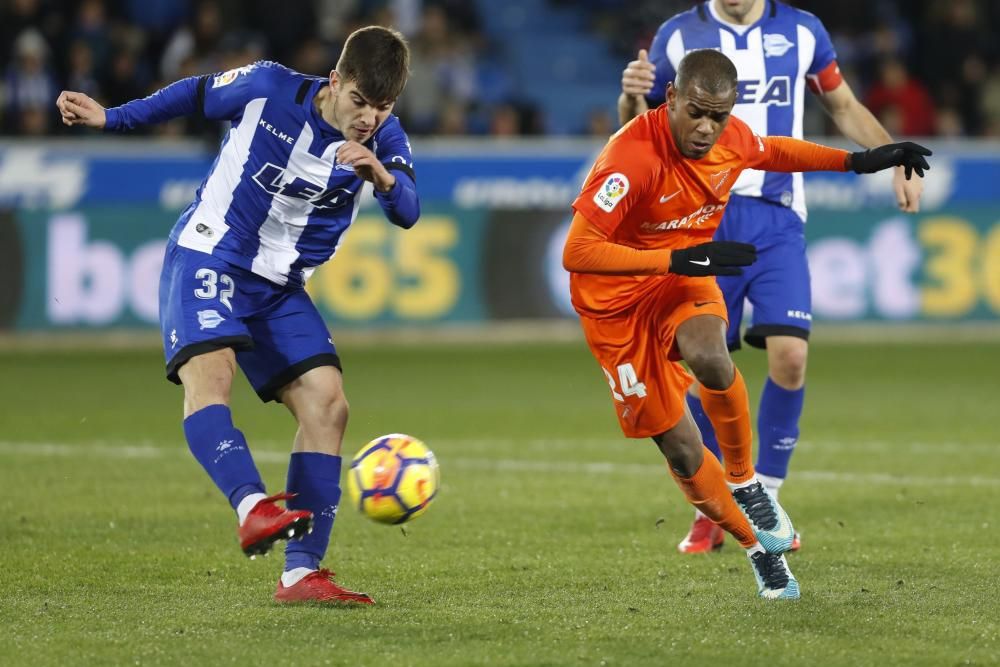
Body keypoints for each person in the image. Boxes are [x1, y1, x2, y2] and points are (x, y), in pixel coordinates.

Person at [55, 26, 419, 605]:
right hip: (210, 253)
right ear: (336, 81)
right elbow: (195, 95)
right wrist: (114, 118)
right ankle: (251, 507)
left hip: (279, 287)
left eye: (382, 107)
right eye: (359, 102)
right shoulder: (268, 88)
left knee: (328, 404)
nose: (368, 118)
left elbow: (408, 210)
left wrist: (382, 175)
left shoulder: (384, 139)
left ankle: (301, 575)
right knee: (212, 375)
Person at [565, 48, 928, 599]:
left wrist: (861, 161)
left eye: (719, 116)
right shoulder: (630, 157)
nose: (708, 129)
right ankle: (757, 549)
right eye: (698, 113)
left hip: (680, 277)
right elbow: (578, 251)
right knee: (683, 451)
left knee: (712, 355)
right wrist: (671, 259)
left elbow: (777, 151)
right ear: (671, 100)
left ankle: (746, 481)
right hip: (616, 306)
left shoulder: (730, 136)